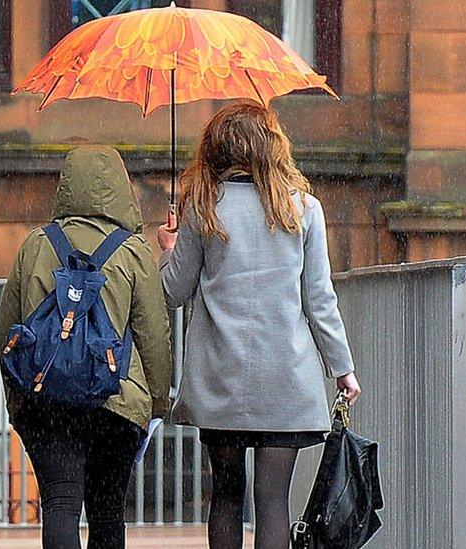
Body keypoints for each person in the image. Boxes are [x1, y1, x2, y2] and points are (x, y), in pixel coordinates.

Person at [157, 103, 362, 549]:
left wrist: (168, 248)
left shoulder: (202, 208)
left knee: (226, 496)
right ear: (272, 148)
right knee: (273, 501)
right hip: (283, 378)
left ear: (217, 149)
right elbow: (319, 298)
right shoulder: (304, 209)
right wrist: (342, 368)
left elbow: (172, 291)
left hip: (220, 378)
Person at [0, 145, 172, 549]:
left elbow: (6, 329)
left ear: (66, 187)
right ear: (121, 188)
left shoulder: (36, 245)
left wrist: (18, 399)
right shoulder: (132, 250)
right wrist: (155, 404)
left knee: (60, 505)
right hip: (117, 402)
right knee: (108, 512)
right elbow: (153, 337)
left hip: (50, 400)